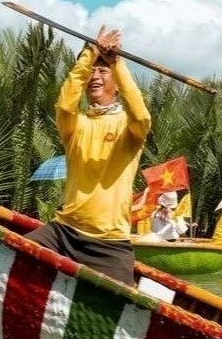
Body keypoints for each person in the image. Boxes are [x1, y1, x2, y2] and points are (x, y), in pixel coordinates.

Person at [25, 25, 151, 285]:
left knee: (120, 308)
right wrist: (89, 54)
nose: (95, 76)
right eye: (91, 72)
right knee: (14, 255)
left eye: (102, 71)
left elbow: (141, 114)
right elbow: (64, 104)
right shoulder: (76, 124)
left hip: (109, 242)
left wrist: (116, 62)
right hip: (63, 231)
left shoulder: (130, 127)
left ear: (116, 82)